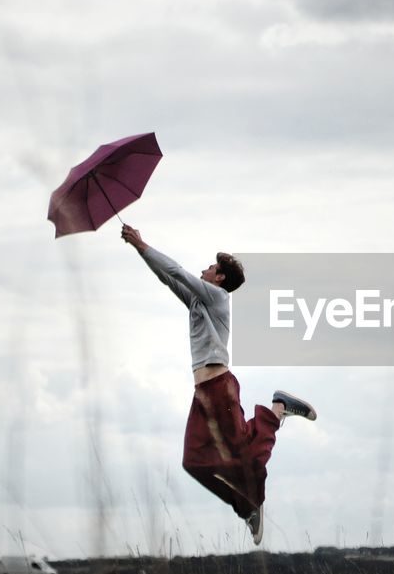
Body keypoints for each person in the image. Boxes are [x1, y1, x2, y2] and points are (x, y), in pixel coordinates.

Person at [121, 224, 316, 545]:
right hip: (203, 394)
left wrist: (142, 243)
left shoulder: (217, 297)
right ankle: (248, 503)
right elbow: (167, 277)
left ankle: (277, 411)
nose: (204, 270)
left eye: (210, 268)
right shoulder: (199, 303)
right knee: (194, 461)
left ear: (220, 278)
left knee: (245, 454)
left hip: (220, 386)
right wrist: (137, 249)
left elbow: (179, 272)